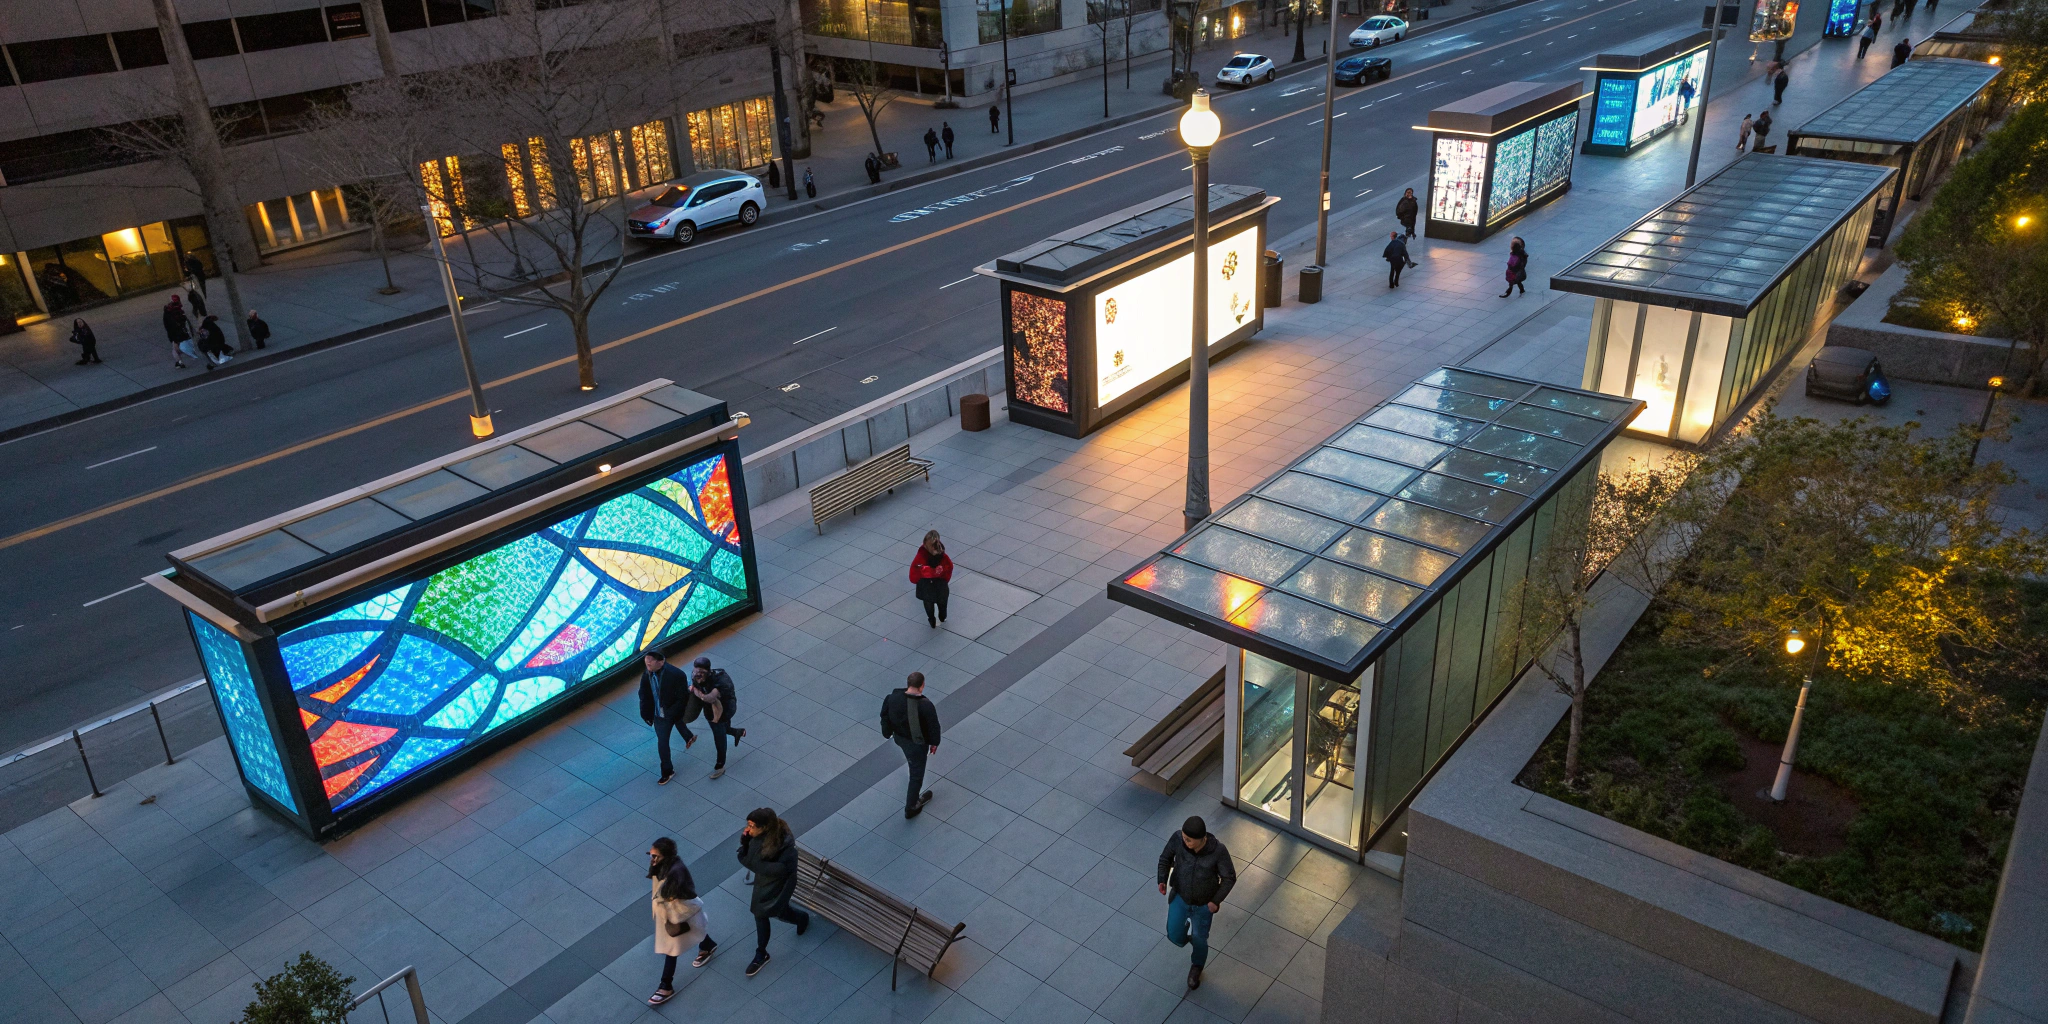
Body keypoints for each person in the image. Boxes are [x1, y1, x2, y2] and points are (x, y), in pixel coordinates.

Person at [1156, 816, 1235, 991]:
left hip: (1203, 906)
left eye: (1189, 839)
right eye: (1184, 837)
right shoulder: (1177, 839)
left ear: (1202, 839)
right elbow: (1165, 858)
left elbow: (1229, 877)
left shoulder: (1218, 851)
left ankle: (1196, 966)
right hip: (1180, 897)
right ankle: (1191, 938)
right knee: (1174, 934)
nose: (1185, 841)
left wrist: (1215, 901)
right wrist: (1162, 878)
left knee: (1200, 939)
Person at [737, 808, 809, 977]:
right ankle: (762, 951)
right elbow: (752, 860)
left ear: (765, 827)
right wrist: (745, 842)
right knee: (767, 912)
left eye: (752, 826)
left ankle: (762, 953)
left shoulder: (784, 845)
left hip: (779, 885)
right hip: (765, 883)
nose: (748, 829)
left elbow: (776, 869)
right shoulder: (758, 838)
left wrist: (749, 858)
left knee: (768, 912)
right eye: (748, 824)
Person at [647, 837, 717, 1006]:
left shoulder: (676, 871)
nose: (652, 859)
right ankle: (707, 945)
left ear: (666, 856)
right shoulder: (664, 866)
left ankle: (666, 985)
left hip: (682, 913)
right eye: (651, 855)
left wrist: (666, 898)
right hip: (678, 914)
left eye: (656, 856)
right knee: (695, 932)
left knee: (671, 949)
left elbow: (681, 893)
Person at [880, 672, 941, 818]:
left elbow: (884, 716)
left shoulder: (892, 698)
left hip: (900, 739)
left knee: (913, 765)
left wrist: (887, 733)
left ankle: (912, 803)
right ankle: (911, 807)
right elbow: (933, 727)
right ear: (922, 685)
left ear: (908, 684)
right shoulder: (926, 705)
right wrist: (934, 743)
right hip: (916, 745)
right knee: (916, 774)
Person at [638, 650, 695, 785]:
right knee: (662, 744)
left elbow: (682, 698)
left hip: (671, 712)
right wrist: (645, 714)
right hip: (659, 716)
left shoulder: (676, 674)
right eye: (646, 663)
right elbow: (644, 695)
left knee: (678, 722)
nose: (648, 666)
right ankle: (667, 771)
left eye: (650, 663)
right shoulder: (647, 675)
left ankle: (688, 737)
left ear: (661, 661)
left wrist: (672, 712)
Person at [686, 656, 744, 778]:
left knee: (719, 736)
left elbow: (710, 698)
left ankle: (720, 765)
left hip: (725, 710)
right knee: (722, 729)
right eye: (696, 671)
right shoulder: (695, 675)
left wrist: (697, 693)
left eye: (701, 672)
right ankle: (737, 732)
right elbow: (695, 687)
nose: (697, 675)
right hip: (710, 711)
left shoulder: (720, 679)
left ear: (708, 671)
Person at [910, 530, 952, 627]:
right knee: (942, 602)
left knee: (928, 602)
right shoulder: (942, 556)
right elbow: (948, 568)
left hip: (926, 584)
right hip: (938, 584)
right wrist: (940, 574)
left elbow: (915, 571)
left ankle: (932, 619)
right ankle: (942, 617)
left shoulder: (921, 556)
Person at [163, 294, 191, 369]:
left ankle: (179, 362)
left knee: (175, 347)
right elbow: (184, 319)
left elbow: (166, 323)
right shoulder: (179, 309)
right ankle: (178, 361)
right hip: (181, 330)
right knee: (180, 346)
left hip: (173, 332)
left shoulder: (167, 311)